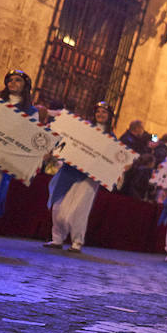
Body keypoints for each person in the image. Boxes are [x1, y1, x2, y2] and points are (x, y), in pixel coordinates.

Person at [44, 101, 115, 252]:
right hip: (69, 171)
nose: (100, 115)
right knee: (58, 205)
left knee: (79, 209)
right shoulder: (83, 128)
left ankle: (77, 241)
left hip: (89, 178)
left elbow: (113, 160)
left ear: (109, 116)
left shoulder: (111, 138)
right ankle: (57, 238)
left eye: (104, 112)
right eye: (98, 112)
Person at [0, 70, 39, 217]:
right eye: (10, 80)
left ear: (25, 85)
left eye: (17, 80)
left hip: (5, 159)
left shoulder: (31, 111)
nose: (12, 83)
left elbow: (30, 136)